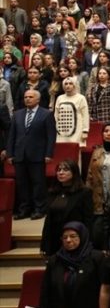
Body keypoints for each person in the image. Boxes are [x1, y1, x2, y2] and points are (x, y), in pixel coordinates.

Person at [4, 89, 55, 219]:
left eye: (31, 97)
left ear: (37, 99)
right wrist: (10, 154)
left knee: (38, 183)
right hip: (19, 155)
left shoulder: (46, 114)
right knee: (22, 184)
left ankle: (39, 209)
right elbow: (12, 136)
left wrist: (48, 154)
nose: (27, 99)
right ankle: (24, 209)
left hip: (37, 155)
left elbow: (51, 136)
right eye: (26, 97)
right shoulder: (17, 114)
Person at [40, 160, 94, 256]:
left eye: (65, 170)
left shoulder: (84, 193)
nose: (61, 172)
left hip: (74, 239)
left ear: (74, 172)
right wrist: (44, 244)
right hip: (55, 238)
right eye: (59, 170)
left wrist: (87, 242)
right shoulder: (53, 192)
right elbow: (48, 221)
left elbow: (88, 220)